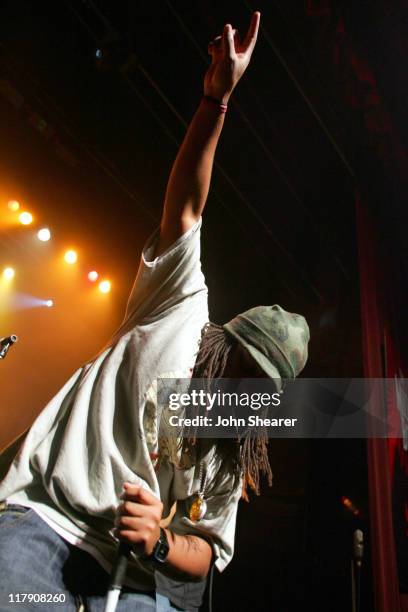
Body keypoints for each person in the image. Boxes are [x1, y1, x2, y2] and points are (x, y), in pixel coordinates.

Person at [0, 12, 309, 612]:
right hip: (48, 521)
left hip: (134, 575)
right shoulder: (182, 308)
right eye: (243, 367)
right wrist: (215, 102)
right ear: (225, 342)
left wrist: (162, 539)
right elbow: (188, 207)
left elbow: (208, 549)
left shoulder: (230, 445)